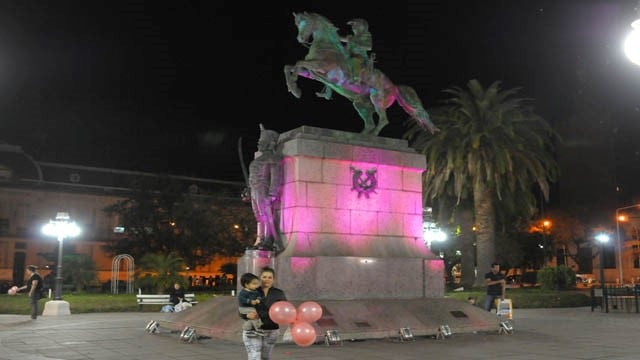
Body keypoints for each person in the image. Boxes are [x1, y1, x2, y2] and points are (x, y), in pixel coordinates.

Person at [248, 125, 283, 252]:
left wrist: (272, 194)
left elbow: (275, 178)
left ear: (269, 143)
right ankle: (260, 238)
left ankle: (269, 240)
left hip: (263, 189)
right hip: (254, 190)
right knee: (258, 216)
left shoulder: (273, 158)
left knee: (265, 214)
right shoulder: (257, 160)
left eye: (262, 142)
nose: (259, 144)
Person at [241, 267, 287, 360]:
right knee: (255, 357)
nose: (267, 279)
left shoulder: (279, 293)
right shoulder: (251, 291)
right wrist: (245, 315)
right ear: (259, 278)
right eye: (264, 277)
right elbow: (241, 308)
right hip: (253, 330)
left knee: (265, 357)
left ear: (273, 279)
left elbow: (285, 310)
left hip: (272, 330)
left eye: (270, 277)